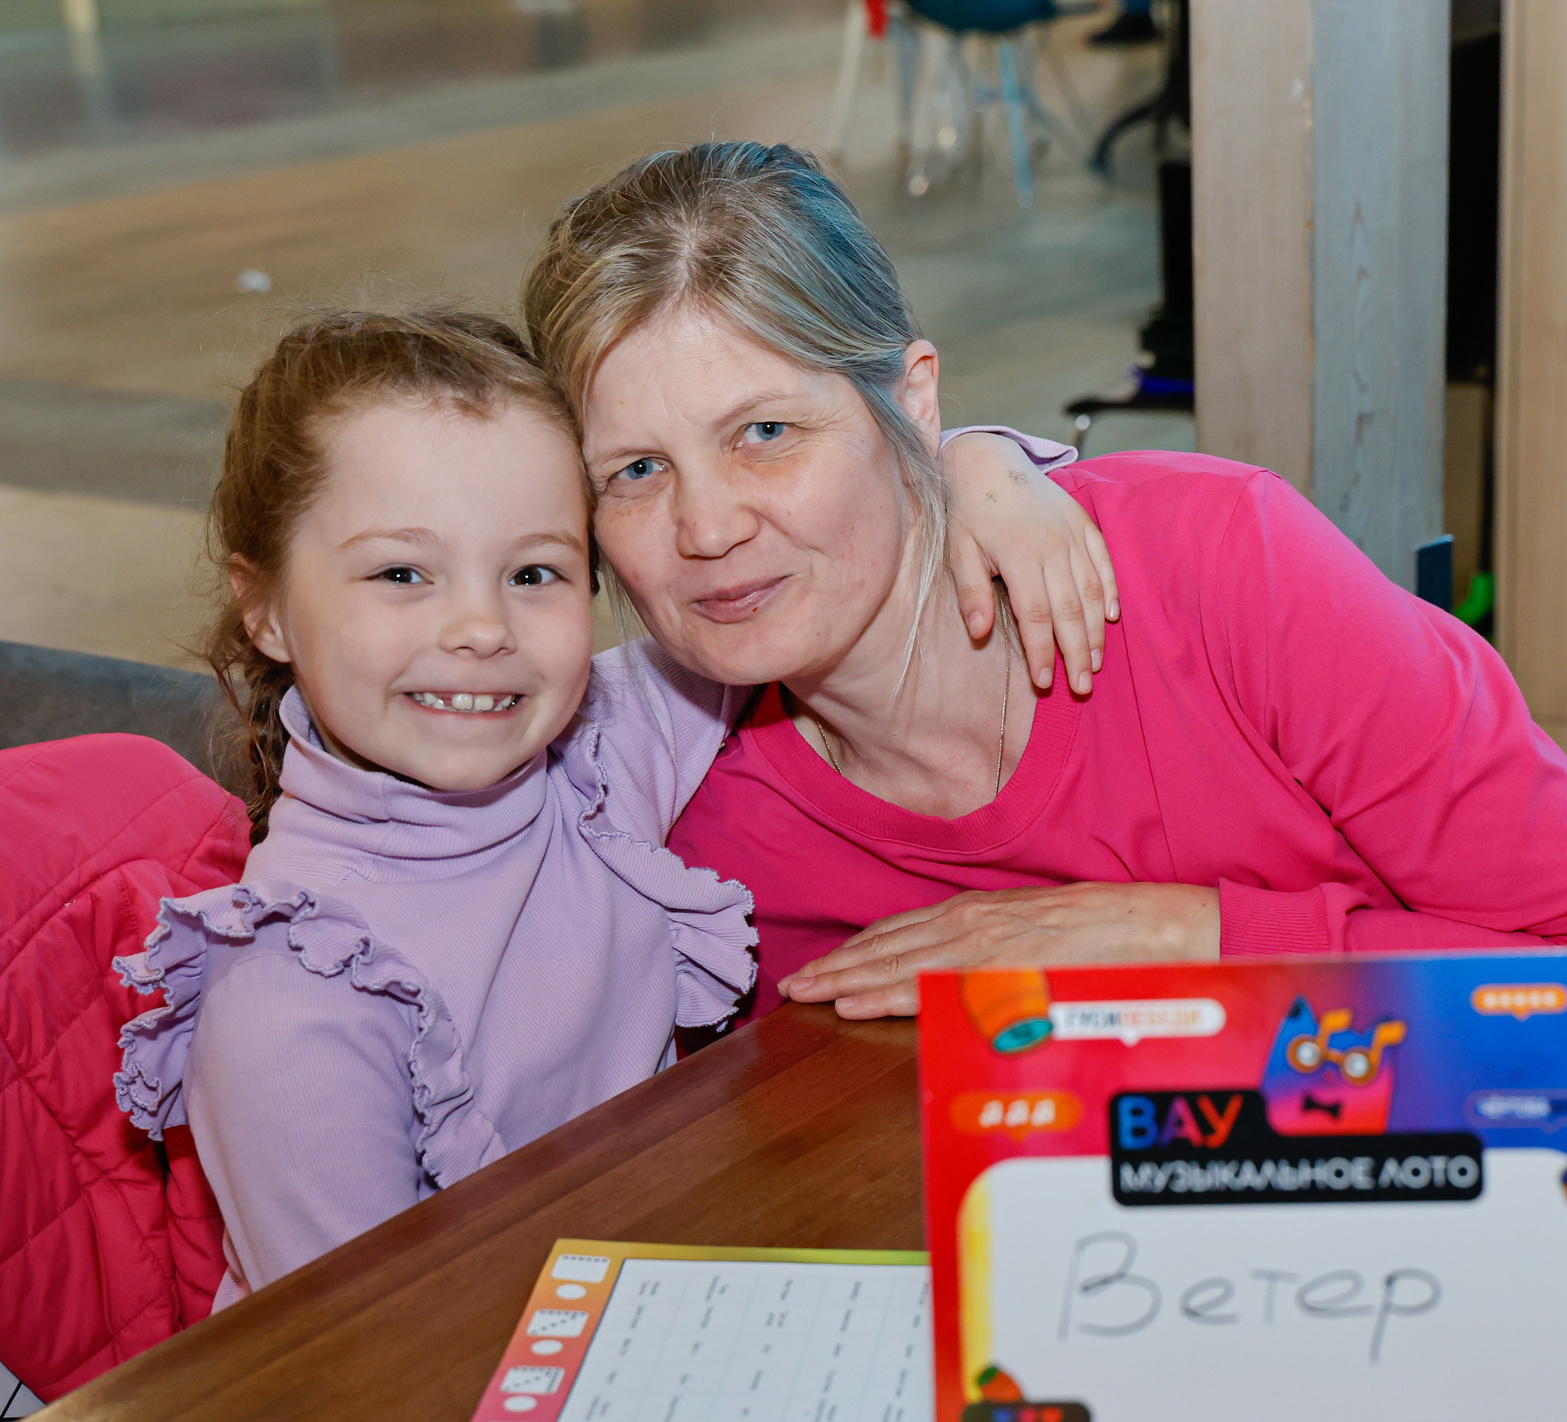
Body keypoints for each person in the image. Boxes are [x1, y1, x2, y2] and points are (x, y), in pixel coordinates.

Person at [524, 141, 1567, 1127]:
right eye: (633, 474)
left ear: (911, 406)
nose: (705, 527)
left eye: (766, 432)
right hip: (1309, 1190)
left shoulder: (1213, 562)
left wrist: (1171, 936)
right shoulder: (688, 798)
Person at [113, 307, 1113, 1304]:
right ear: (267, 607)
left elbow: (805, 569)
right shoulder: (296, 998)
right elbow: (361, 1366)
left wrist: (976, 468)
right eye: (401, 573)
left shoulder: (602, 749)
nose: (478, 627)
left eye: (535, 572)